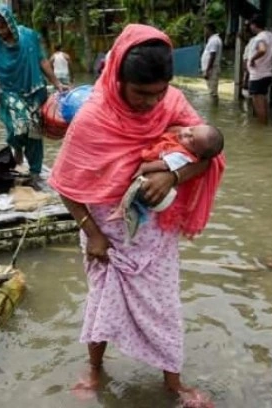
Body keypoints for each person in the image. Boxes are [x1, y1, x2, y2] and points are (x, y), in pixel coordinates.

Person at [49, 24, 225, 408]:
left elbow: (209, 155)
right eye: (142, 93)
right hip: (103, 230)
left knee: (163, 305)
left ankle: (174, 383)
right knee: (101, 300)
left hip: (154, 230)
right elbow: (65, 183)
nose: (152, 102)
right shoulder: (93, 117)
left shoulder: (173, 103)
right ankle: (95, 368)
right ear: (118, 79)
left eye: (160, 91)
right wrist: (92, 234)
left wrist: (171, 174)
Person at [0, 4, 68, 188]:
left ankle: (34, 172)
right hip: (9, 92)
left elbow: (41, 60)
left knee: (33, 133)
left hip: (33, 90)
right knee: (14, 128)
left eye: (3, 27)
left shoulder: (28, 37)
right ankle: (16, 149)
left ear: (10, 22)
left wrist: (56, 83)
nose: (1, 32)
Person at [247, 14, 272, 124]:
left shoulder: (260, 37)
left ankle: (262, 130)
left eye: (251, 25)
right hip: (266, 74)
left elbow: (262, 50)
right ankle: (264, 126)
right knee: (263, 102)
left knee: (259, 106)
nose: (250, 27)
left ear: (254, 25)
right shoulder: (270, 35)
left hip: (258, 76)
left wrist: (252, 59)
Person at [201, 23, 222, 99]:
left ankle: (214, 108)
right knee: (211, 91)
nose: (204, 32)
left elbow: (212, 56)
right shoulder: (212, 40)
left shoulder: (214, 40)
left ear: (209, 29)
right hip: (211, 69)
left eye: (205, 30)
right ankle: (213, 109)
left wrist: (208, 70)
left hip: (212, 69)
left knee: (213, 93)